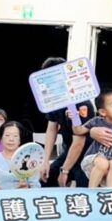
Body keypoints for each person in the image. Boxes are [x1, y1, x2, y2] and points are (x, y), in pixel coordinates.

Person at [38, 57, 95, 188]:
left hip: (88, 154)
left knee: (83, 189)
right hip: (68, 150)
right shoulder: (55, 102)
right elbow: (51, 128)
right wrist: (45, 161)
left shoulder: (82, 103)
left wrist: (65, 171)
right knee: (47, 179)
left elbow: (79, 143)